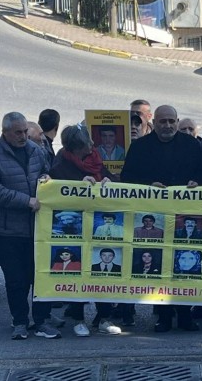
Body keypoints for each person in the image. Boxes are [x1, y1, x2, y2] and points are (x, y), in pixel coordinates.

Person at [121, 105, 202, 333]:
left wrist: (196, 182)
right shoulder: (139, 147)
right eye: (162, 122)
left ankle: (186, 315)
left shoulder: (192, 145)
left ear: (177, 122)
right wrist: (148, 185)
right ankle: (164, 316)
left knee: (183, 267)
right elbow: (127, 177)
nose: (167, 126)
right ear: (153, 123)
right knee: (162, 265)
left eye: (171, 121)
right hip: (154, 218)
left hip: (185, 216)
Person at [0, 112, 59, 340]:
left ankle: (41, 321)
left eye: (25, 131)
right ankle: (20, 322)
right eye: (18, 132)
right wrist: (26, 201)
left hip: (37, 229)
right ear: (5, 132)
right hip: (8, 231)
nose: (24, 136)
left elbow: (47, 171)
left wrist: (45, 179)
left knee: (41, 277)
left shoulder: (36, 150)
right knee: (16, 280)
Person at [47, 124, 122, 336]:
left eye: (89, 143)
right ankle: (78, 319)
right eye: (84, 146)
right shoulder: (60, 165)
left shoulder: (94, 158)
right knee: (78, 273)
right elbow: (58, 192)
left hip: (98, 229)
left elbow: (110, 178)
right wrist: (78, 185)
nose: (90, 147)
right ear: (73, 149)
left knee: (103, 274)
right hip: (76, 230)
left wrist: (110, 180)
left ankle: (103, 317)